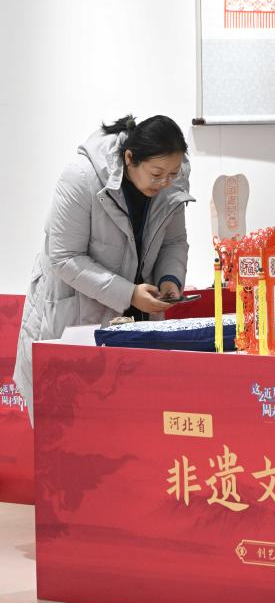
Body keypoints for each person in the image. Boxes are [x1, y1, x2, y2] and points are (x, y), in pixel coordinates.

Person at [14, 114, 193, 422]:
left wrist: (170, 279)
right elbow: (64, 257)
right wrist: (129, 294)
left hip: (136, 322)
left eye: (173, 173)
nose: (165, 182)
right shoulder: (81, 178)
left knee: (133, 427)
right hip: (75, 320)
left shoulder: (171, 179)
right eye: (156, 174)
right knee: (72, 427)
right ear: (130, 158)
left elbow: (174, 241)